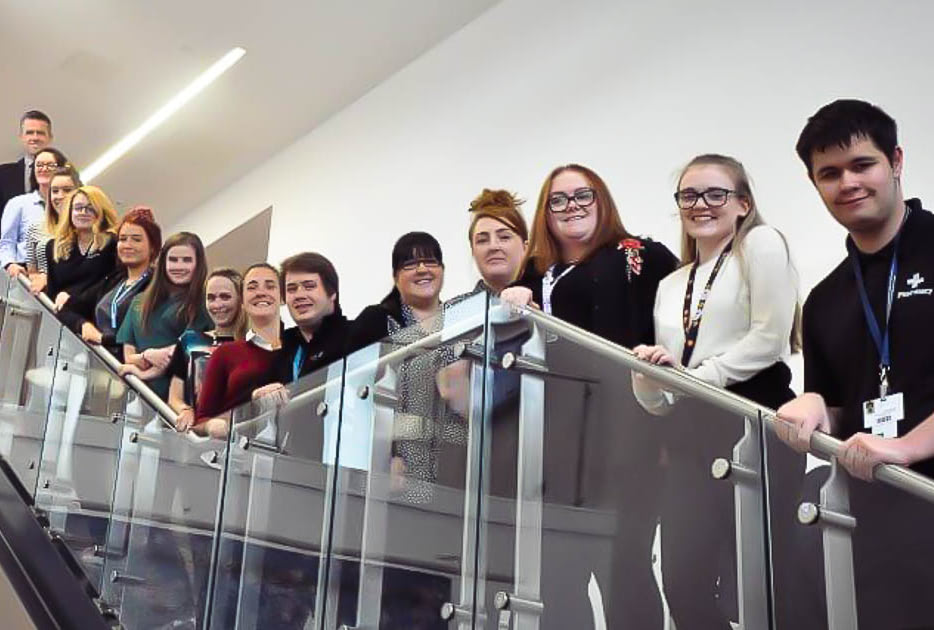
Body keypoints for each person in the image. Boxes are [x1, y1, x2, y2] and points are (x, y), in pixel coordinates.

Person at [776, 99, 934, 628]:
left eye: (862, 164)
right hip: (879, 515)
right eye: (829, 173)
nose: (848, 182)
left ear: (896, 161)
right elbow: (851, 415)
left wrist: (908, 447)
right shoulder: (826, 299)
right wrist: (820, 407)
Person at [500, 164, 678, 629]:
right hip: (558, 444)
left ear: (602, 200)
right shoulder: (535, 275)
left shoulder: (639, 255)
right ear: (545, 214)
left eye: (583, 195)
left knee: (623, 562)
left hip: (627, 435)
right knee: (558, 573)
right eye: (558, 200)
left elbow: (678, 330)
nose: (571, 207)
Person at [631, 154, 805, 629]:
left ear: (743, 204)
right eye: (689, 195)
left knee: (761, 580)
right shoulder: (670, 285)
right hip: (691, 432)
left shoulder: (761, 244)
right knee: (682, 580)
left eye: (715, 194)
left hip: (755, 419)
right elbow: (664, 399)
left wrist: (690, 379)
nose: (700, 204)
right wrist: (647, 378)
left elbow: (769, 340)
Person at [58, 207, 160, 361]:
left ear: (152, 247)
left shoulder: (157, 286)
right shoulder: (115, 280)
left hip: (131, 372)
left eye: (136, 239)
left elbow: (148, 337)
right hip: (98, 361)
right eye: (123, 239)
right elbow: (66, 310)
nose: (127, 245)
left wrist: (102, 339)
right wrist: (83, 325)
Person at [118, 233, 211, 400]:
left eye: (187, 260)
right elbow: (129, 356)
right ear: (163, 262)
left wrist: (144, 372)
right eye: (173, 259)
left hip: (180, 402)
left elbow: (189, 352)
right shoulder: (138, 302)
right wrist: (147, 355)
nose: (179, 266)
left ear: (198, 264)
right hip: (139, 399)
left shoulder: (204, 303)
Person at [195, 263, 285, 437]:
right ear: (242, 301)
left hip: (294, 454)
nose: (260, 292)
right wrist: (212, 425)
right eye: (252, 287)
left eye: (270, 286)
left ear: (282, 297)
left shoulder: (299, 349)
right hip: (238, 453)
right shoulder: (226, 353)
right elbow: (200, 421)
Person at [167, 268, 246, 434]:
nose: (217, 305)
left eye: (225, 297)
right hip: (192, 438)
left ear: (241, 299)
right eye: (211, 298)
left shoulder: (252, 346)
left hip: (235, 441)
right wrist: (185, 410)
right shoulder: (189, 341)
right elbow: (174, 397)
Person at [46, 185, 118, 309]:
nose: (83, 213)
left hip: (97, 315)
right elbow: (53, 291)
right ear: (70, 212)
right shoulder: (54, 247)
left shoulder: (112, 243)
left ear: (101, 212)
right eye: (78, 208)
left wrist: (73, 299)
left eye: (90, 209)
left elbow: (109, 286)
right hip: (63, 316)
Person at [0, 147, 68, 271]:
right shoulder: (18, 203)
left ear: (61, 169)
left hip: (62, 272)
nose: (44, 169)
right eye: (39, 165)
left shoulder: (71, 204)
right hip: (26, 273)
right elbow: (6, 242)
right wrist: (10, 264)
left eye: (50, 165)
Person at [24, 164, 82, 294]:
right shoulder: (35, 229)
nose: (60, 196)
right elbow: (32, 271)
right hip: (41, 298)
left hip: (71, 299)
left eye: (67, 190)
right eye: (55, 191)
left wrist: (48, 278)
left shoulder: (84, 230)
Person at [0, 111, 53, 214]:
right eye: (29, 133)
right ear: (21, 137)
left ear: (50, 138)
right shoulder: (2, 174)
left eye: (40, 133)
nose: (35, 137)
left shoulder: (65, 173)